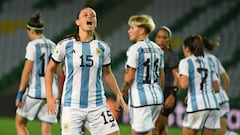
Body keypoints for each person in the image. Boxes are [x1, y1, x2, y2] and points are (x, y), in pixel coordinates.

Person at [45, 7, 127, 135]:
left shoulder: (103, 47)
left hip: (97, 105)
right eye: (85, 15)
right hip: (72, 106)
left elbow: (107, 73)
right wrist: (49, 97)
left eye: (93, 15)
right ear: (77, 22)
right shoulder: (65, 45)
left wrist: (118, 94)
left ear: (96, 21)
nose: (89, 17)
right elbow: (50, 69)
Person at [15, 12, 61, 135]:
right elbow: (59, 72)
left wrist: (20, 93)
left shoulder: (32, 45)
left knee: (20, 123)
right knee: (46, 130)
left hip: (35, 92)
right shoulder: (53, 45)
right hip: (52, 93)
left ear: (30, 31)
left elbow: (27, 70)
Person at [121, 14, 165, 135]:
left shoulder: (135, 49)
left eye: (132, 28)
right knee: (146, 132)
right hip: (157, 97)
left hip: (141, 99)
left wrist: (122, 93)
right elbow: (162, 77)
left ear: (141, 30)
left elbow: (129, 78)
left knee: (137, 132)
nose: (129, 31)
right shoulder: (158, 49)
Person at [178, 35, 220, 135]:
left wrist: (178, 76)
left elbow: (183, 85)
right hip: (213, 106)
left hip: (197, 106)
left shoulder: (185, 62)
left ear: (186, 48)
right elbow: (217, 88)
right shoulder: (209, 62)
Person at [203, 37, 238, 135]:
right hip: (221, 97)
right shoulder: (214, 59)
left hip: (208, 99)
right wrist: (224, 96)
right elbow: (226, 80)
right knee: (222, 130)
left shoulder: (195, 61)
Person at [153, 26, 179, 135]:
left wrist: (172, 95)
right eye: (159, 37)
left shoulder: (170, 55)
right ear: (155, 39)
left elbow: (177, 76)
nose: (161, 40)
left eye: (164, 37)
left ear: (169, 40)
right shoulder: (154, 53)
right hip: (157, 92)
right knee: (162, 130)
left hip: (168, 93)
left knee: (154, 129)